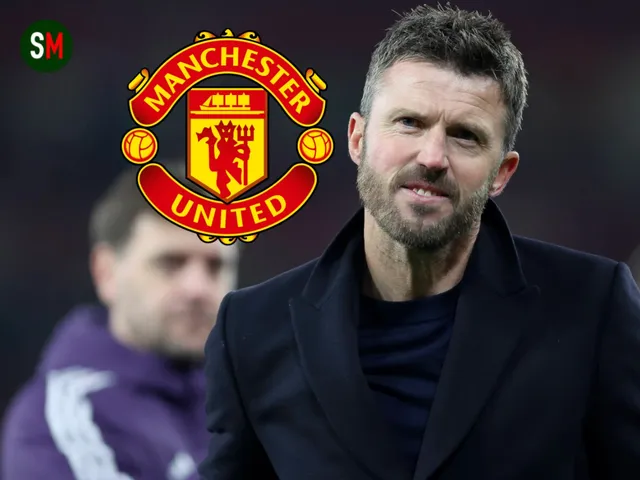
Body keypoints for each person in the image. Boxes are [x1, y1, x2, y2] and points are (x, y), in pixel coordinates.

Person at [198, 4, 640, 480]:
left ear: (502, 172)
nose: (432, 157)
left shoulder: (592, 308)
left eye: (465, 136)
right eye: (409, 122)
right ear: (357, 139)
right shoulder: (251, 329)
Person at [1, 161, 240, 480]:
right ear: (106, 273)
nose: (198, 288)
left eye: (215, 267)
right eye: (170, 263)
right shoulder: (63, 425)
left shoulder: (242, 403)